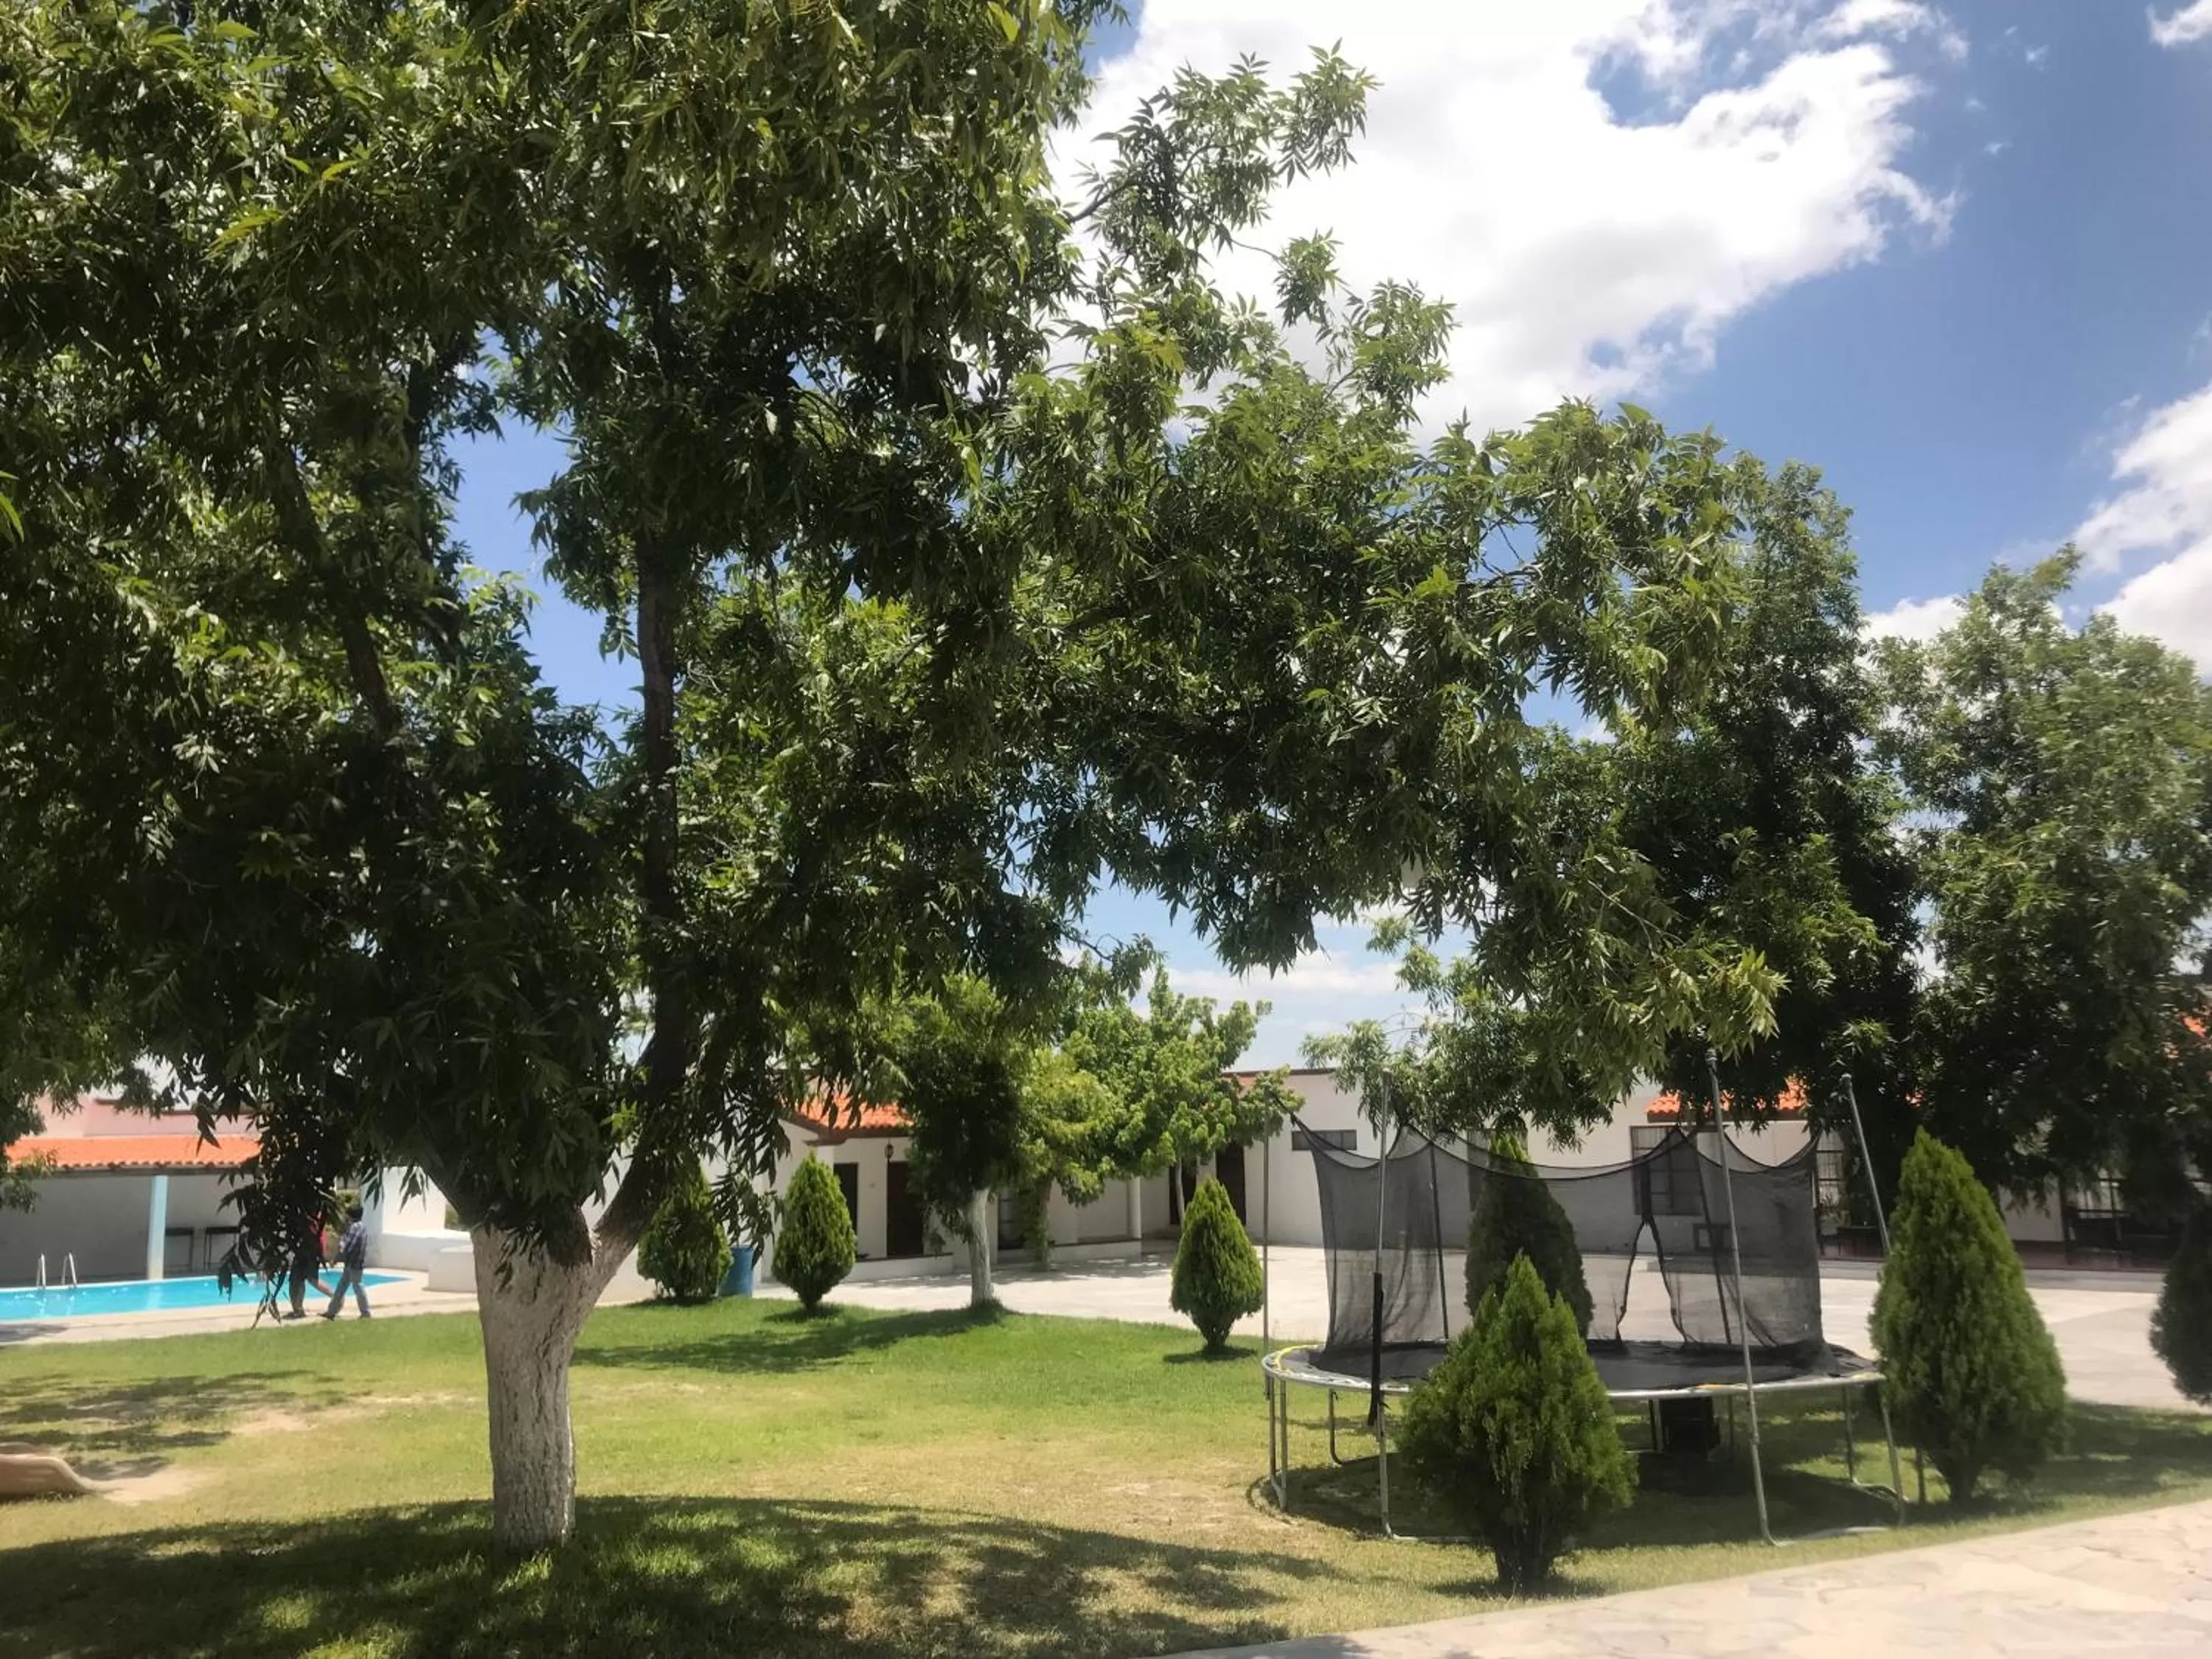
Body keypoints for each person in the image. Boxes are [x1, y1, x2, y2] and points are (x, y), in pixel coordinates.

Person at [322, 1203, 372, 1321]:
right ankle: (331, 1311)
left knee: (357, 1287)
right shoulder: (362, 1227)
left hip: (353, 1263)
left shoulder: (354, 1228)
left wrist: (335, 1259)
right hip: (355, 1262)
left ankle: (365, 1312)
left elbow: (346, 1246)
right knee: (342, 1287)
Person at [285, 1211, 333, 1321]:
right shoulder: (317, 1218)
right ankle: (298, 1309)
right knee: (305, 1280)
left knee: (300, 1280)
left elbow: (309, 1235)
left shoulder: (310, 1219)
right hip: (312, 1253)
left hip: (307, 1253)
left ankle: (298, 1309)